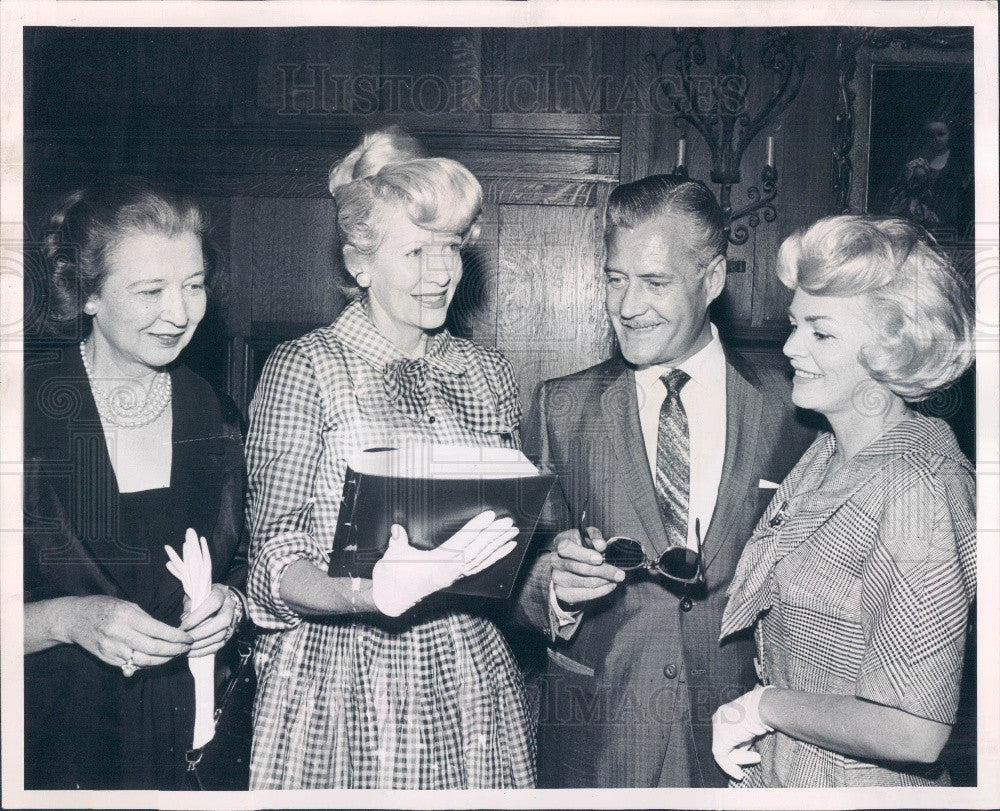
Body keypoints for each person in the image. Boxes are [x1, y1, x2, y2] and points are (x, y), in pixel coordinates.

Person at [245, 128, 535, 789]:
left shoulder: (488, 371)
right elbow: (273, 557)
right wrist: (364, 593)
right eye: (415, 251)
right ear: (360, 263)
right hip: (339, 682)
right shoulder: (306, 368)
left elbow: (507, 541)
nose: (441, 273)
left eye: (452, 248)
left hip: (469, 677)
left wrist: (553, 567)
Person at [513, 175, 815, 787]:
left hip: (749, 742)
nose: (627, 306)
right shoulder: (561, 407)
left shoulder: (795, 407)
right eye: (614, 279)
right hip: (600, 741)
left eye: (654, 283)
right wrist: (554, 587)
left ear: (711, 281)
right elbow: (517, 583)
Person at [713, 215, 976, 787]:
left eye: (820, 332)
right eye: (793, 324)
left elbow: (915, 731)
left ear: (892, 348)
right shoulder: (829, 449)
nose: (788, 347)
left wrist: (764, 706)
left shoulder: (918, 488)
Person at [23, 178, 248, 790]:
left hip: (191, 748)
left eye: (194, 286)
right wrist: (65, 619)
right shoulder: (21, 413)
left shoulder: (217, 416)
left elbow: (243, 566)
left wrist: (232, 606)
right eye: (151, 290)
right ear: (87, 294)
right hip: (49, 748)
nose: (180, 314)